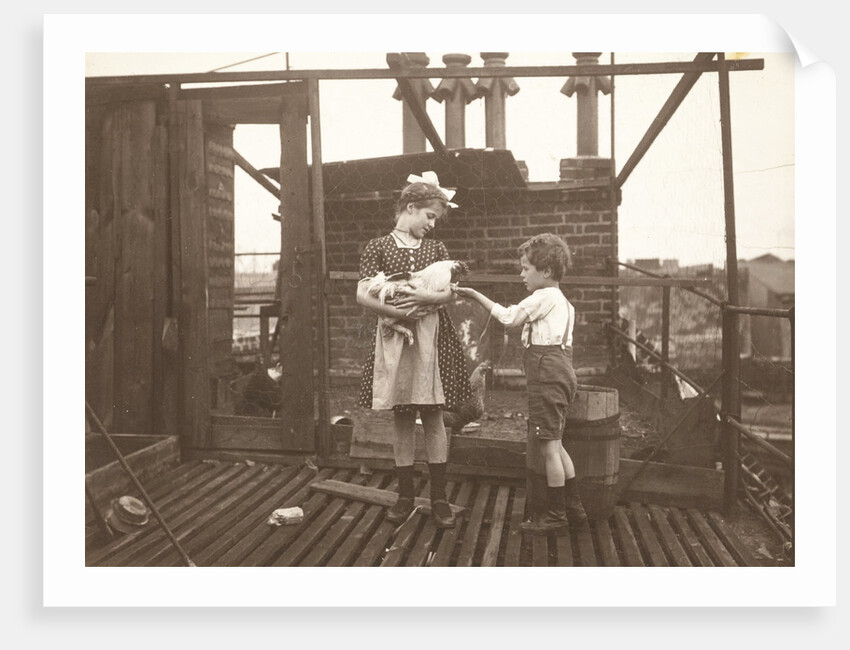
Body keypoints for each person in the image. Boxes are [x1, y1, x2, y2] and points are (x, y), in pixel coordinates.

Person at [356, 172, 472, 529]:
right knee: (403, 418)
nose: (432, 225)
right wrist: (398, 313)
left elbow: (452, 291)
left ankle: (439, 498)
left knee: (434, 416)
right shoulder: (377, 246)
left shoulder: (436, 250)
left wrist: (427, 297)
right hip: (396, 336)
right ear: (410, 207)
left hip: (432, 338)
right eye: (429, 216)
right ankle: (405, 495)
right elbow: (362, 293)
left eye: (435, 219)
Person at [453, 233, 587, 534]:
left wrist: (474, 295)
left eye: (526, 268)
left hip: (547, 376)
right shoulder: (564, 302)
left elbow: (508, 318)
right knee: (556, 444)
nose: (521, 274)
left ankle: (556, 516)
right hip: (562, 372)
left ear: (546, 271)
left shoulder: (544, 296)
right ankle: (574, 509)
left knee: (549, 448)